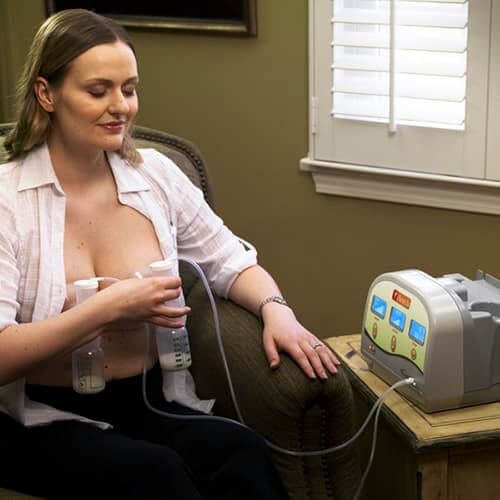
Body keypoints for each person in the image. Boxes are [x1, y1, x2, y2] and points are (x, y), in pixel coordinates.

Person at [0, 8, 340, 500]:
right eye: (98, 91)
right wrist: (105, 311)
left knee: (241, 453)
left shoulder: (155, 175)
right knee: (158, 475)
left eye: (129, 88)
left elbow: (229, 261)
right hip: (36, 416)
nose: (121, 107)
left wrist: (276, 311)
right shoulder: (8, 200)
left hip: (148, 401)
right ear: (46, 93)